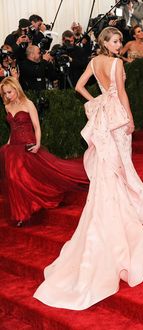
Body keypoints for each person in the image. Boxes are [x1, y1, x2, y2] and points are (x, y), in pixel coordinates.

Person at [33, 27, 143, 310]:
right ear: (105, 43)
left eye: (118, 41)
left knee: (110, 162)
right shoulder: (115, 63)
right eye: (114, 41)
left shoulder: (93, 62)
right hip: (116, 117)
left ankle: (123, 201)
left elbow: (78, 87)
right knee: (122, 162)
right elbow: (123, 93)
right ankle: (132, 206)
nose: (118, 45)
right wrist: (129, 118)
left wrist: (96, 101)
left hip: (103, 117)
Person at [0, 77, 88, 227]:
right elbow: (13, 128)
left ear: (16, 89)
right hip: (13, 147)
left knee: (26, 176)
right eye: (5, 93)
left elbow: (37, 126)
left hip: (28, 144)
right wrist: (8, 144)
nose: (8, 95)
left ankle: (37, 202)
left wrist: (38, 143)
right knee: (14, 179)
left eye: (9, 92)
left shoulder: (28, 104)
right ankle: (21, 213)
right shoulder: (8, 106)